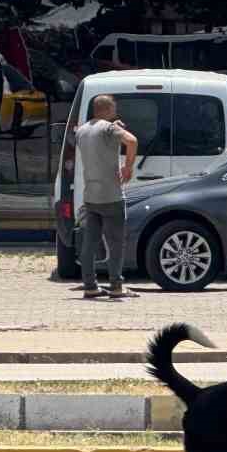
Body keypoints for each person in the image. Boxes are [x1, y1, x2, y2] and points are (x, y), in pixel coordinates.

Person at [72, 94, 138, 300]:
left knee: (89, 243)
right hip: (111, 195)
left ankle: (90, 286)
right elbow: (132, 141)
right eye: (114, 108)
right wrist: (128, 167)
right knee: (115, 243)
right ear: (108, 109)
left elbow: (100, 137)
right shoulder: (109, 128)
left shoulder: (81, 131)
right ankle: (116, 286)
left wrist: (113, 125)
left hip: (91, 196)